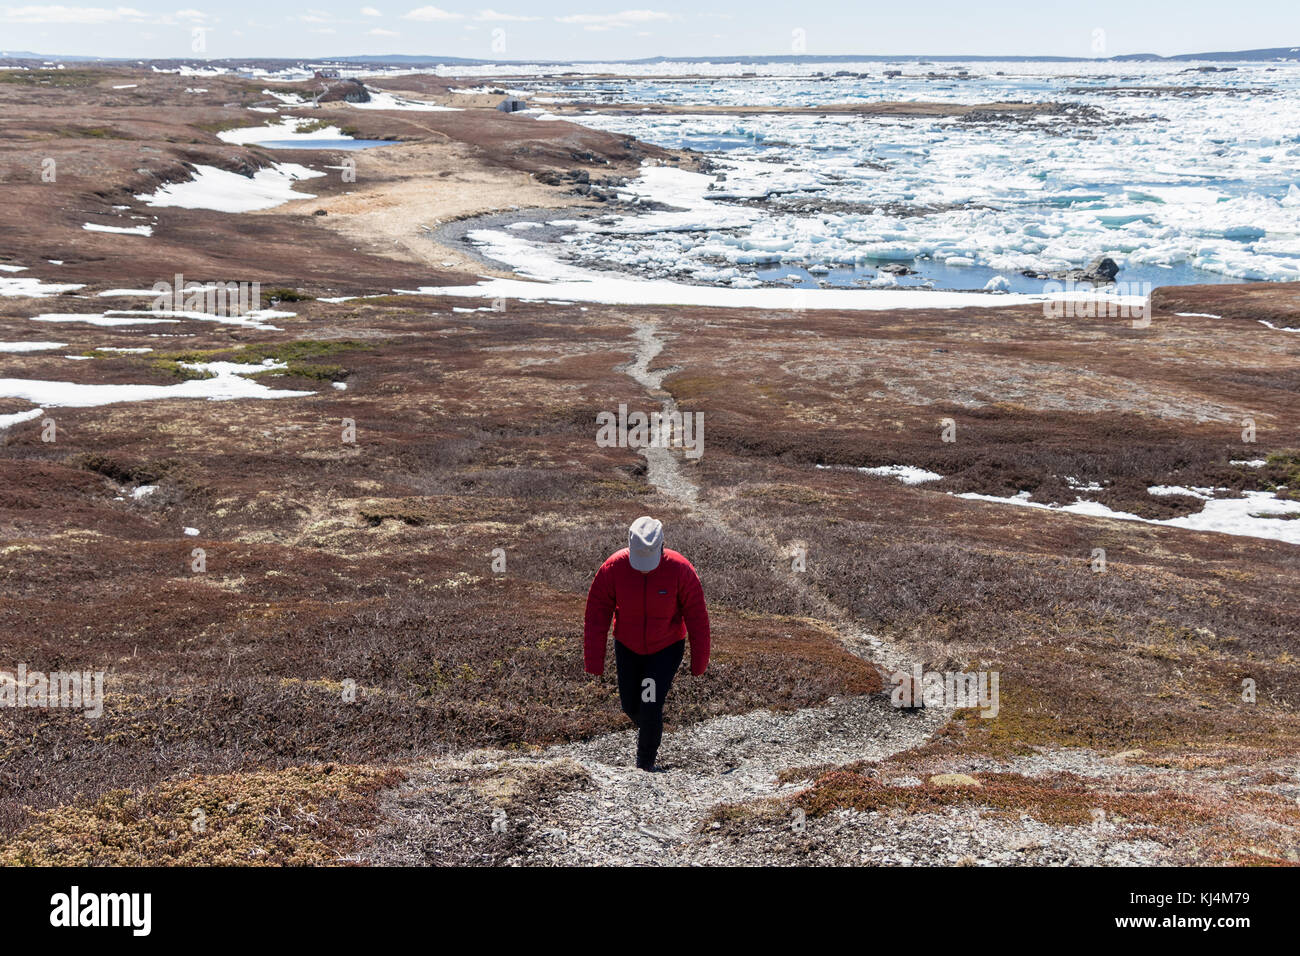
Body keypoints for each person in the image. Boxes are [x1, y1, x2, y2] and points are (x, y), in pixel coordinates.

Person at [583, 516, 710, 771]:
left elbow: (697, 618)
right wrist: (594, 662)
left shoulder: (680, 569)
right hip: (628, 646)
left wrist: (699, 662)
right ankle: (651, 729)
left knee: (650, 701)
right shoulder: (613, 569)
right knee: (630, 704)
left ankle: (644, 766)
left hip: (665, 648)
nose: (643, 569)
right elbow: (596, 616)